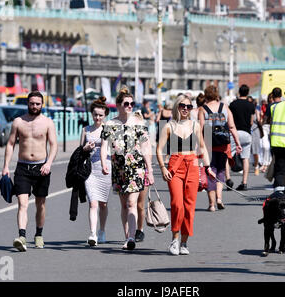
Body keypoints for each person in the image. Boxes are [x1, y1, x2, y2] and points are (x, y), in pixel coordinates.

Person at [157, 94, 215, 255]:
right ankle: (174, 240)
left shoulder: (195, 125)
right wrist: (163, 168)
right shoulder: (169, 126)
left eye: (189, 107)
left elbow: (203, 147)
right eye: (182, 106)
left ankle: (184, 242)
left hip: (193, 165)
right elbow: (159, 149)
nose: (185, 109)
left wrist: (208, 167)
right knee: (177, 204)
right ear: (177, 106)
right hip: (175, 165)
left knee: (189, 206)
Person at [2, 91, 58, 251]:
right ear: (28, 104)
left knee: (41, 204)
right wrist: (6, 166)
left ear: (42, 105)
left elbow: (54, 145)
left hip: (41, 168)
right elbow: (10, 144)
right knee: (22, 203)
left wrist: (48, 163)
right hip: (23, 168)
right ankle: (22, 236)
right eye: (32, 103)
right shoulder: (18, 122)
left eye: (37, 104)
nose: (34, 106)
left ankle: (39, 235)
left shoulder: (48, 123)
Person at [100, 87, 154, 250]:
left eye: (132, 103)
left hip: (136, 168)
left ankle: (131, 237)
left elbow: (146, 147)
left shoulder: (138, 123)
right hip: (119, 169)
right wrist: (104, 163)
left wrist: (149, 170)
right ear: (118, 105)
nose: (130, 106)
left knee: (132, 203)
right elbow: (104, 147)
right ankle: (127, 236)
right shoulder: (110, 124)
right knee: (124, 205)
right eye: (126, 103)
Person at [198, 85, 242, 212]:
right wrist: (237, 143)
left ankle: (211, 205)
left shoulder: (203, 109)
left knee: (210, 171)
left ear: (206, 96)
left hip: (209, 145)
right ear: (217, 95)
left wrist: (200, 145)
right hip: (223, 144)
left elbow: (200, 129)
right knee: (221, 171)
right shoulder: (224, 107)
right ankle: (219, 199)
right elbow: (232, 127)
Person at [80, 96, 111, 246]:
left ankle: (102, 230)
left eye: (100, 115)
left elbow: (116, 148)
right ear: (91, 114)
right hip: (89, 169)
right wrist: (85, 148)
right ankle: (92, 233)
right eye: (95, 114)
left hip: (105, 169)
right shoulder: (85, 130)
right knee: (93, 203)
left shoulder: (109, 129)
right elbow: (79, 152)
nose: (97, 117)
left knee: (103, 204)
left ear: (105, 116)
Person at [229, 85, 256, 191]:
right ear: (248, 92)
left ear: (239, 92)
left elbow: (229, 119)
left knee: (229, 156)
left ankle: (228, 179)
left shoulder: (233, 104)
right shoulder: (251, 105)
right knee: (245, 158)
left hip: (234, 132)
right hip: (246, 133)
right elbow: (251, 121)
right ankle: (244, 182)